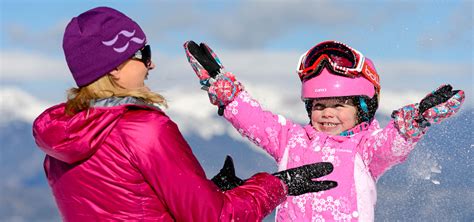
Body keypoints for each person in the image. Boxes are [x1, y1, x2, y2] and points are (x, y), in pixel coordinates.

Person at [32, 7, 338, 221]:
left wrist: (210, 190)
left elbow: (126, 203)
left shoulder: (60, 143)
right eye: (144, 55)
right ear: (114, 68)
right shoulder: (143, 129)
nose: (151, 65)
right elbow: (216, 218)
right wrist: (279, 185)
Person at [183, 40, 465, 221]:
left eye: (340, 105)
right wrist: (225, 91)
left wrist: (415, 122)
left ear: (363, 110)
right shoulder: (290, 140)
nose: (328, 113)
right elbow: (256, 120)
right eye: (319, 105)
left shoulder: (365, 150)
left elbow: (390, 143)